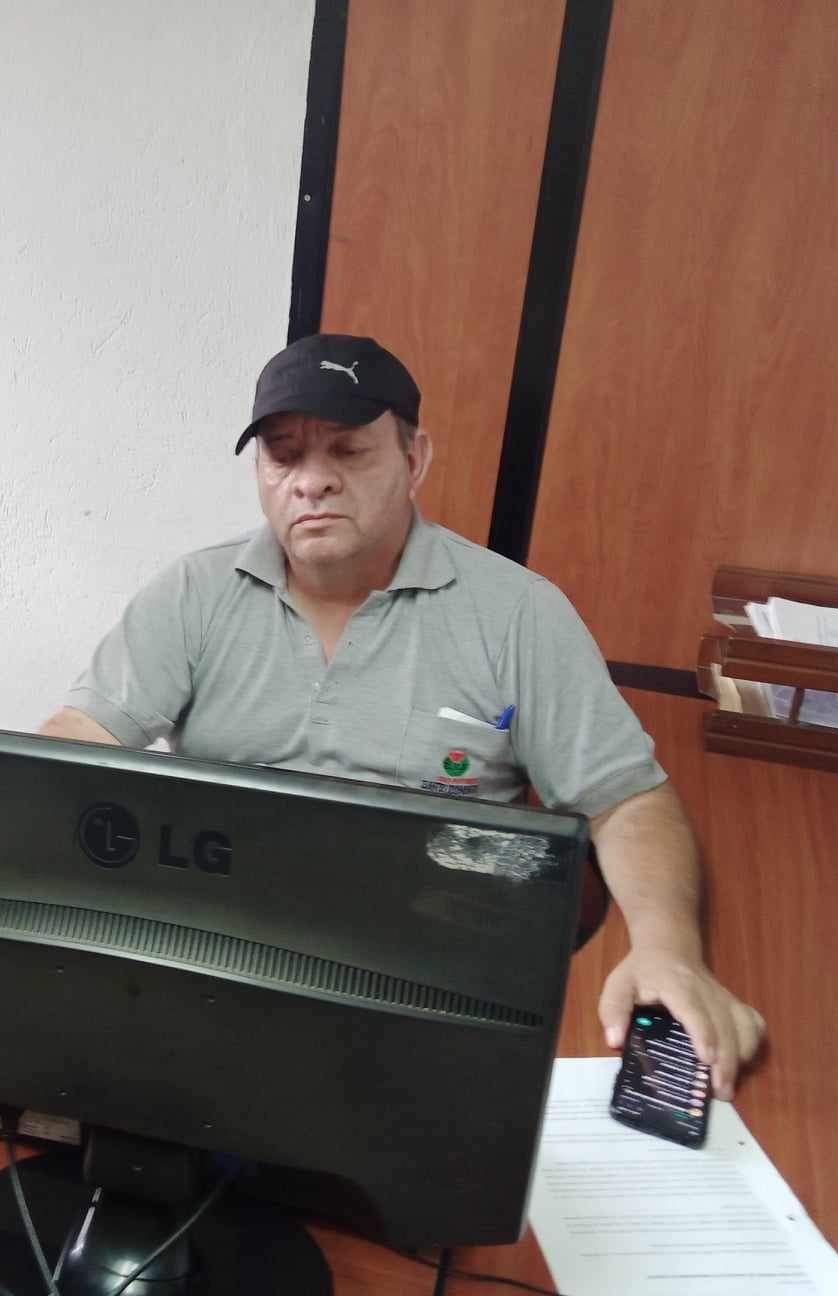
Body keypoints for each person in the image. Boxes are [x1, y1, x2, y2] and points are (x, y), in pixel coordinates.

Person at [40, 333, 765, 1098]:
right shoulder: (194, 592)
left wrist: (668, 948)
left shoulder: (515, 614)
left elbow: (625, 801)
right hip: (214, 954)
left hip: (425, 975)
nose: (311, 481)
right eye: (283, 455)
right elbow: (76, 741)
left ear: (415, 459)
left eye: (348, 450)